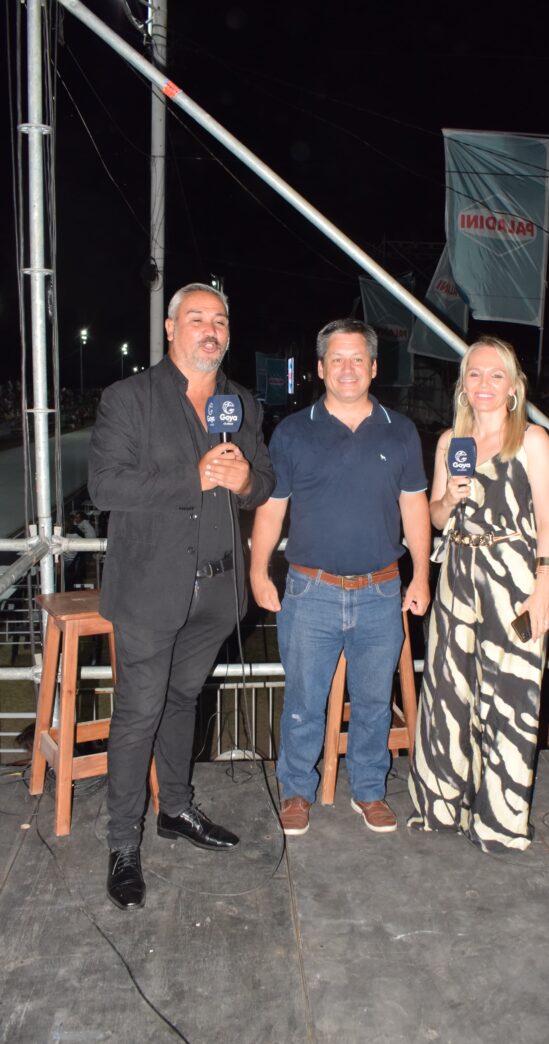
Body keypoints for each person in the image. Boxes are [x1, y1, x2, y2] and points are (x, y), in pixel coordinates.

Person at [88, 283, 275, 910]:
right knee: (139, 712)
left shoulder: (240, 403)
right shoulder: (128, 398)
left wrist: (245, 481)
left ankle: (175, 809)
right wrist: (190, 479)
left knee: (183, 700)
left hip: (217, 591)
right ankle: (123, 843)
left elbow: (264, 480)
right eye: (197, 318)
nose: (211, 330)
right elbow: (106, 486)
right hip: (149, 591)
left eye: (220, 320)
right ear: (171, 329)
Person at [250, 318, 431, 837]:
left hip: (381, 591)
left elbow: (415, 508)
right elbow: (271, 508)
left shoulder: (401, 431)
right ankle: (296, 790)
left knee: (374, 701)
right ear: (320, 367)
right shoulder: (292, 432)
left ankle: (370, 789)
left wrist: (421, 575)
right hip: (310, 592)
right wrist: (259, 571)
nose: (347, 369)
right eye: (337, 359)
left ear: (373, 367)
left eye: (357, 359)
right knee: (304, 701)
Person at [408, 335, 549, 853]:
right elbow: (434, 517)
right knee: (449, 695)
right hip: (457, 576)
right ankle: (442, 808)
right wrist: (450, 498)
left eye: (496, 375)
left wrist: (544, 588)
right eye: (475, 373)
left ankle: (499, 822)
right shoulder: (450, 443)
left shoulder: (532, 441)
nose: (485, 383)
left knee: (510, 696)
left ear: (514, 386)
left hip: (513, 580)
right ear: (463, 385)